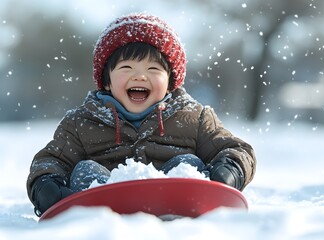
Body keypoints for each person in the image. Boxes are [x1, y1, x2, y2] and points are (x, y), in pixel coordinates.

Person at [26, 13, 256, 217]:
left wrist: (229, 170)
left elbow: (236, 149)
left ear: (170, 83)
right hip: (104, 211)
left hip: (178, 205)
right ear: (106, 81)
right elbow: (50, 161)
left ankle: (183, 208)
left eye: (153, 70)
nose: (140, 77)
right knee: (86, 170)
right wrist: (47, 186)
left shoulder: (193, 117)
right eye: (127, 68)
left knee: (188, 164)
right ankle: (92, 214)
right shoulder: (81, 122)